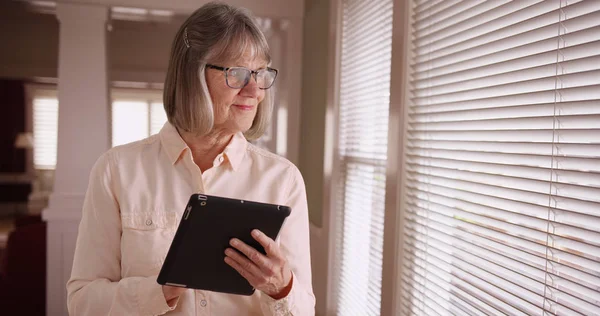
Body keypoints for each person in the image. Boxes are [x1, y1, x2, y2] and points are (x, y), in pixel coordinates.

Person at [66, 2, 315, 315]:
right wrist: (162, 289)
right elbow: (82, 302)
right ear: (192, 76)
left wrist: (281, 287)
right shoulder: (116, 170)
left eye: (260, 73)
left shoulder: (283, 180)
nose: (255, 90)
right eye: (237, 73)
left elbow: (304, 310)